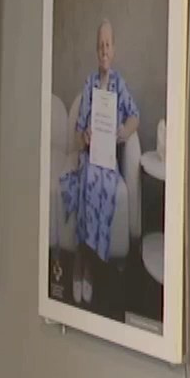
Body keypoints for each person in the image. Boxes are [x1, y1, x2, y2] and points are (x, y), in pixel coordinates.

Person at [58, 19, 139, 305]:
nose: (104, 50)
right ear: (96, 51)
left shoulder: (119, 85)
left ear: (113, 50)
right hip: (90, 155)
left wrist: (123, 131)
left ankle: (88, 265)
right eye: (100, 45)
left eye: (108, 44)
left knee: (101, 183)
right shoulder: (89, 84)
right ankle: (80, 261)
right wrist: (85, 136)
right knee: (87, 179)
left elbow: (135, 116)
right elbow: (79, 131)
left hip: (108, 159)